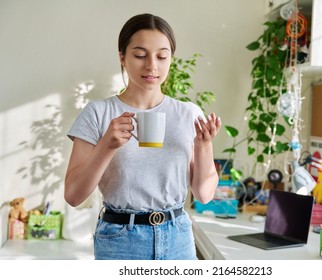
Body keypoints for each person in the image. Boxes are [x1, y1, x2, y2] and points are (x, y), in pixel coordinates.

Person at [64, 13, 221, 260]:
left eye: (161, 56)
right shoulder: (98, 113)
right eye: (139, 55)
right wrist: (106, 145)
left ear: (171, 59)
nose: (151, 66)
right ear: (122, 58)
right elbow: (73, 195)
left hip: (178, 237)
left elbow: (204, 194)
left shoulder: (188, 113)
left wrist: (203, 146)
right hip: (119, 240)